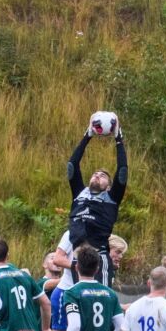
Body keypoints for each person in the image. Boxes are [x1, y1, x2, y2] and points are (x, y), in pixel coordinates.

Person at [65, 115, 128, 288]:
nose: (97, 175)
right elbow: (72, 165)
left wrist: (118, 139)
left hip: (99, 255)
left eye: (103, 176)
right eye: (95, 174)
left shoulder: (111, 198)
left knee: (102, 295)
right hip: (79, 257)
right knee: (81, 299)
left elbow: (122, 171)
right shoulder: (79, 193)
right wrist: (88, 135)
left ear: (108, 186)